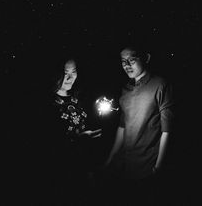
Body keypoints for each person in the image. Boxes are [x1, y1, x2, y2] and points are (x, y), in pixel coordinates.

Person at [100, 42, 175, 205]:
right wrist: (111, 157)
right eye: (122, 61)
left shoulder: (160, 85)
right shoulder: (125, 89)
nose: (126, 65)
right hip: (125, 167)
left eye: (132, 59)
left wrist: (159, 166)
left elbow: (167, 130)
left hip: (147, 167)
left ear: (146, 58)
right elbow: (123, 126)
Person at [47, 56, 102, 205]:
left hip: (86, 164)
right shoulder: (47, 104)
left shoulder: (78, 97)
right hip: (63, 172)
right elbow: (47, 145)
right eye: (66, 72)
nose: (70, 77)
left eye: (74, 71)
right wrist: (78, 139)